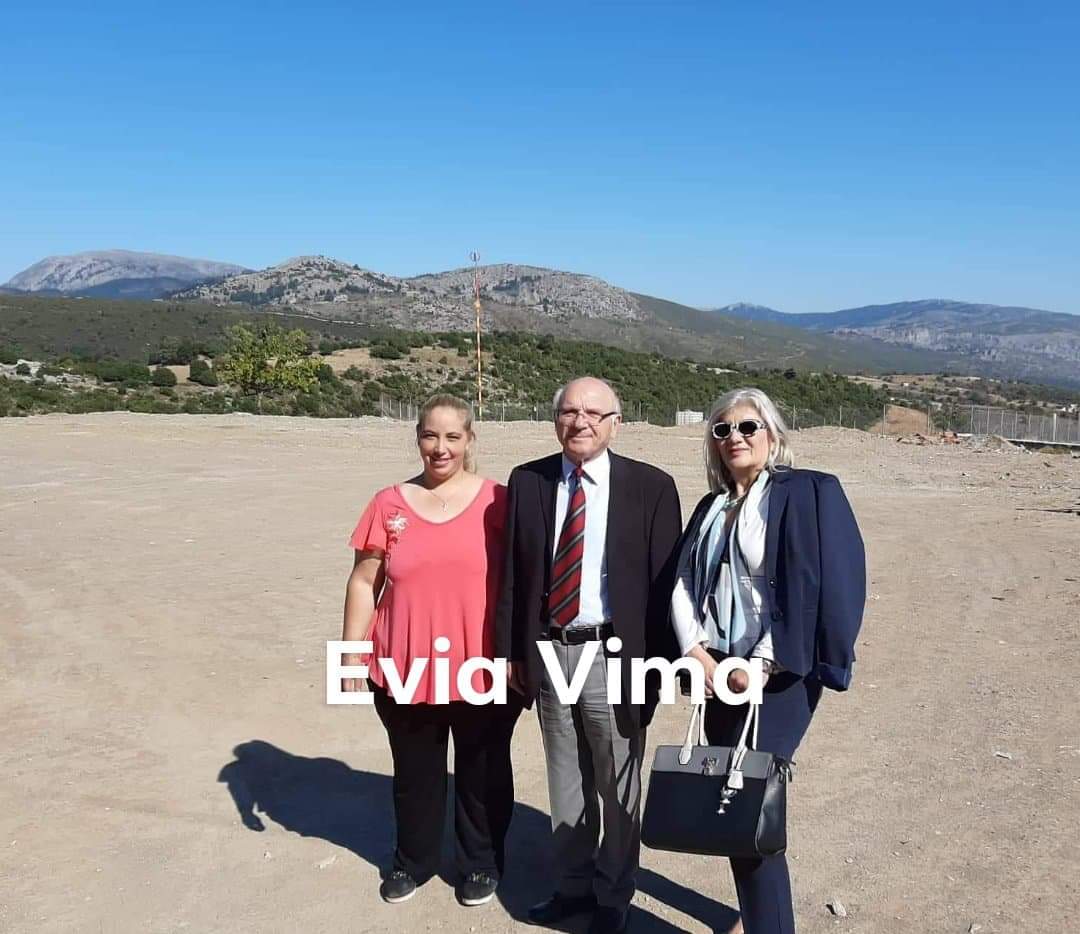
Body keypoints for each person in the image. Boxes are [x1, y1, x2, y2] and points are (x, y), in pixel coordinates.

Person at [669, 387, 866, 934]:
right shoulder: (711, 506)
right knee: (730, 804)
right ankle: (758, 916)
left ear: (773, 435)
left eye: (747, 426)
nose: (735, 437)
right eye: (723, 429)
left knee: (752, 804)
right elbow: (684, 581)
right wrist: (696, 652)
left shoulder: (809, 492)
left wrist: (757, 665)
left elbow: (820, 587)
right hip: (716, 670)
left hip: (779, 675)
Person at [496, 377, 682, 934]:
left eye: (594, 413)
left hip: (614, 655)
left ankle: (613, 895)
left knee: (617, 781)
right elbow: (513, 575)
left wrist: (656, 672)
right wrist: (512, 653)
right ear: (555, 420)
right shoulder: (527, 481)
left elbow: (665, 589)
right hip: (551, 649)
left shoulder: (651, 487)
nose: (580, 421)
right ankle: (573, 888)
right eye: (569, 411)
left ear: (615, 424)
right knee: (565, 778)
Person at [340, 393, 522, 908]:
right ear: (417, 437)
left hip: (481, 666)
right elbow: (363, 582)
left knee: (483, 771)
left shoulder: (499, 501)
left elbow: (524, 580)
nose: (440, 448)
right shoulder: (388, 504)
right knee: (415, 772)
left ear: (469, 440)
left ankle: (481, 862)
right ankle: (413, 861)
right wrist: (350, 656)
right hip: (404, 665)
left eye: (452, 437)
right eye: (429, 436)